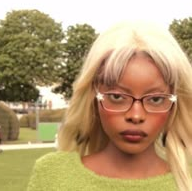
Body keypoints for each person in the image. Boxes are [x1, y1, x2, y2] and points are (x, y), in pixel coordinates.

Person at [27, 21, 192, 191]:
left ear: (175, 104)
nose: (136, 116)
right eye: (117, 97)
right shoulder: (53, 175)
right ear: (93, 98)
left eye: (156, 99)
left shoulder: (186, 183)